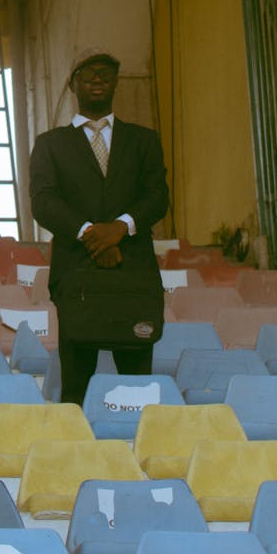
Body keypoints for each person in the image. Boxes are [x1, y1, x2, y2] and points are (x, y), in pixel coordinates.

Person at [28, 47, 171, 404]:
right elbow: (43, 202)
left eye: (106, 72)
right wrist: (93, 234)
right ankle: (79, 456)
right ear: (73, 83)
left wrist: (120, 229)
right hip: (77, 275)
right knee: (76, 385)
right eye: (88, 73)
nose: (97, 79)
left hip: (133, 272)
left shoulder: (144, 140)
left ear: (115, 83)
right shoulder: (50, 144)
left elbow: (158, 197)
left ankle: (138, 455)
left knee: (138, 386)